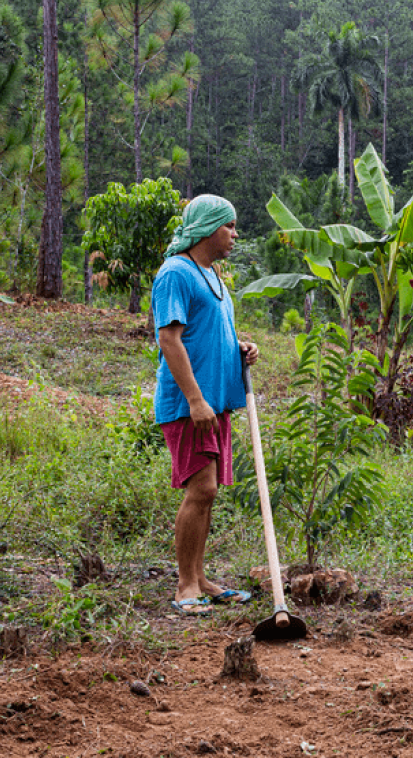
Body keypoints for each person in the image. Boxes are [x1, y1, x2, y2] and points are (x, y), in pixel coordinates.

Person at [152, 194, 258, 616]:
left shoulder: (213, 278)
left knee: (209, 493)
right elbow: (169, 340)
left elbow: (212, 335)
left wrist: (241, 348)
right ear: (208, 228)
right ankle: (185, 585)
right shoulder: (176, 273)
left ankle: (201, 578)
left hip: (216, 403)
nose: (235, 234)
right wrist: (195, 400)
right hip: (189, 403)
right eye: (229, 226)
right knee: (202, 488)